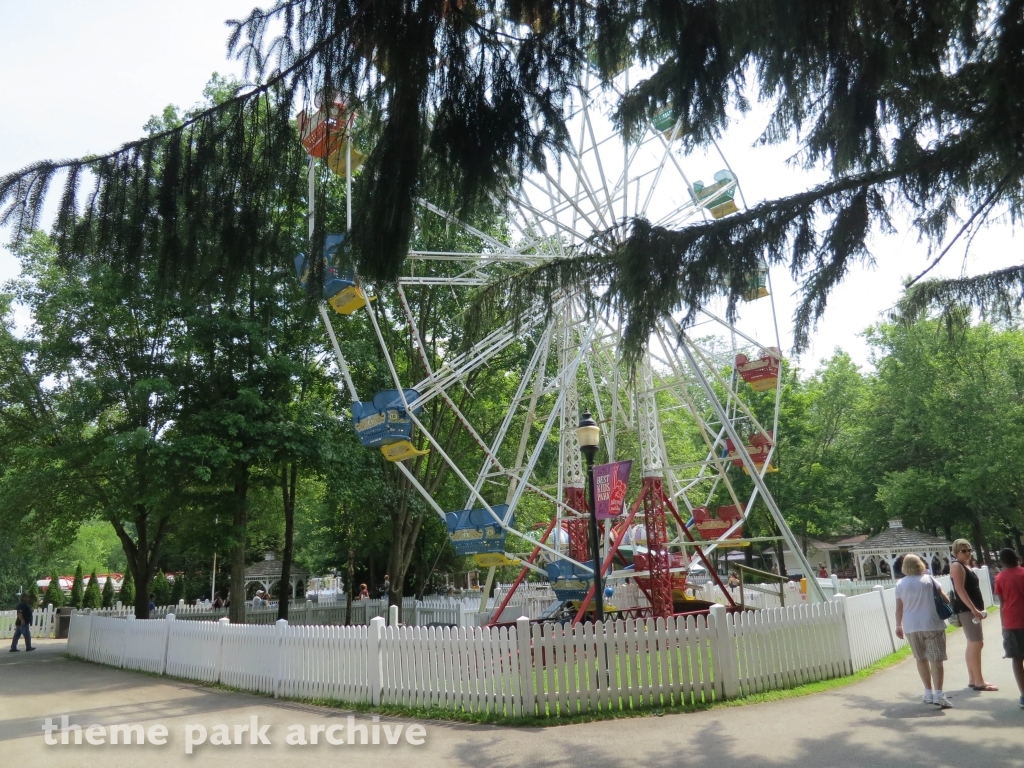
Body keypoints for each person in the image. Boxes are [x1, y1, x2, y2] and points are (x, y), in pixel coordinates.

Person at [895, 554, 953, 708]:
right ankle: (938, 694)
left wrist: (898, 625)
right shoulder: (929, 580)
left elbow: (899, 608)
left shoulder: (900, 584)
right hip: (932, 623)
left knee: (920, 659)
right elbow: (946, 599)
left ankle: (928, 692)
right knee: (936, 660)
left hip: (911, 626)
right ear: (920, 564)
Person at [949, 538, 997, 691]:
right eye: (964, 551)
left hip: (970, 609)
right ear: (956, 552)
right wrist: (974, 609)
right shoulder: (957, 566)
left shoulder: (966, 566)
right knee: (976, 642)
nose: (968, 553)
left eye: (969, 550)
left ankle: (973, 678)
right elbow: (960, 590)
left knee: (973, 643)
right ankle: (979, 680)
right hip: (966, 610)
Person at [993, 548, 1024, 709]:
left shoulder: (1000, 578)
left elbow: (1002, 602)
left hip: (1011, 622)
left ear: (1003, 562)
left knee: (1017, 660)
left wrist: (1002, 624)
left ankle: (1023, 695)